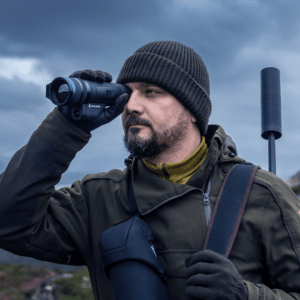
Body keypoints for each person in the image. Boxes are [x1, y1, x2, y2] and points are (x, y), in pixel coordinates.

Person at [0, 41, 300, 300]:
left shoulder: (262, 194)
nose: (131, 105)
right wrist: (67, 125)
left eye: (151, 92)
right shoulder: (98, 197)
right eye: (126, 93)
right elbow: (8, 223)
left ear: (192, 109)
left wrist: (246, 295)